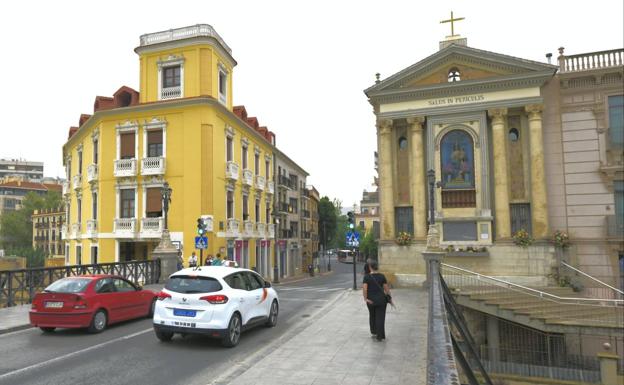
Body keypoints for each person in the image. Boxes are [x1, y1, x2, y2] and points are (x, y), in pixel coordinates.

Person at [362, 260, 391, 341]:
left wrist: (365, 299)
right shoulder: (382, 276)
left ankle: (374, 331)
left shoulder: (367, 277)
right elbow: (386, 289)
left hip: (371, 300)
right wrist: (390, 297)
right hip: (381, 300)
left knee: (372, 315)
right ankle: (380, 335)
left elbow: (365, 289)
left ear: (370, 267)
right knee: (381, 317)